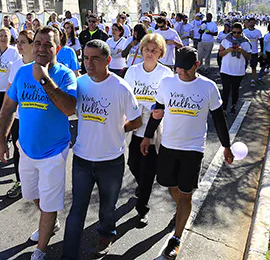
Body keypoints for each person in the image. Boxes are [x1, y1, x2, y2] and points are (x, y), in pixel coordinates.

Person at [142, 46, 234, 259]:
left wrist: (226, 146)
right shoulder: (167, 83)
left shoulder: (208, 87)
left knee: (185, 193)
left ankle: (176, 237)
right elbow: (157, 111)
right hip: (168, 146)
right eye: (178, 68)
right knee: (169, 185)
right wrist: (147, 136)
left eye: (186, 69)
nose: (181, 73)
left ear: (197, 66)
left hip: (193, 149)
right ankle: (182, 210)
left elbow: (219, 120)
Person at [0, 26, 77, 260]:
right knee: (32, 194)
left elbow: (69, 108)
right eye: (38, 43)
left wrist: (44, 79)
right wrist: (2, 140)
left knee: (49, 202)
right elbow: (9, 107)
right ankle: (49, 223)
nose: (41, 48)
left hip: (54, 152)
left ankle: (41, 248)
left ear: (57, 49)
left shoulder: (65, 75)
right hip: (26, 149)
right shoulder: (22, 73)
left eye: (48, 44)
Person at [62, 40, 141, 259]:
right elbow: (66, 108)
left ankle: (106, 234)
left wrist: (117, 130)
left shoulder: (121, 88)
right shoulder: (79, 84)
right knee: (77, 209)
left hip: (111, 161)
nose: (89, 63)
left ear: (108, 60)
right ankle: (68, 254)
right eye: (86, 58)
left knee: (107, 207)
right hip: (82, 160)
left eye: (95, 58)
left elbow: (136, 121)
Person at [124, 34, 173, 226]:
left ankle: (142, 208)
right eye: (146, 49)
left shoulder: (165, 73)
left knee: (148, 171)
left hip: (153, 130)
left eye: (154, 50)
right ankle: (142, 187)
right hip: (135, 126)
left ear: (161, 53)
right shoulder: (133, 71)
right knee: (133, 164)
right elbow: (126, 96)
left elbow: (166, 102)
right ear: (141, 50)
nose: (150, 53)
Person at [0, 30, 36, 199]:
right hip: (18, 116)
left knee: (35, 150)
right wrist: (2, 112)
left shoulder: (41, 64)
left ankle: (38, 181)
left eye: (23, 42)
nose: (18, 45)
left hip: (36, 118)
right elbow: (9, 91)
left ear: (32, 44)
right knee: (17, 149)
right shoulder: (16, 65)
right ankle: (20, 182)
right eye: (17, 42)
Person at [218, 23, 251, 115]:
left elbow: (248, 57)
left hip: (238, 70)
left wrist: (242, 51)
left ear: (241, 32)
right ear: (231, 31)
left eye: (238, 33)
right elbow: (220, 54)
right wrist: (228, 50)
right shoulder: (226, 40)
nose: (236, 35)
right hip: (226, 70)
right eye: (234, 32)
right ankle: (224, 108)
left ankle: (233, 106)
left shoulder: (245, 42)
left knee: (235, 90)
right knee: (226, 90)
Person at [243, 17, 263, 87]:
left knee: (253, 66)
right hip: (245, 52)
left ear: (255, 23)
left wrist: (262, 51)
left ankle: (253, 79)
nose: (252, 24)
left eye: (253, 22)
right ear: (248, 23)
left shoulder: (258, 32)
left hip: (254, 52)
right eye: (250, 22)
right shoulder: (245, 32)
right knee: (243, 65)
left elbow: (261, 41)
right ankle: (241, 77)